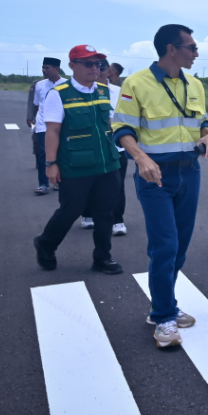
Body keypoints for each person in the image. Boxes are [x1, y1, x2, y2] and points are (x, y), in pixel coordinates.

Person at [111, 24, 208, 349]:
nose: (196, 53)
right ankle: (163, 318)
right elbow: (121, 127)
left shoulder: (195, 84)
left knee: (180, 248)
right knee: (165, 246)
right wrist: (141, 158)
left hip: (190, 172)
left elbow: (200, 120)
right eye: (192, 47)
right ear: (172, 49)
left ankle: (162, 305)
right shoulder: (136, 83)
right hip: (155, 176)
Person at [33, 45, 123, 275]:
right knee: (71, 210)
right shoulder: (59, 94)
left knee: (105, 212)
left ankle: (103, 257)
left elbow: (110, 125)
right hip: (76, 165)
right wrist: (51, 164)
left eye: (98, 64)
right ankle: (46, 243)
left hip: (107, 163)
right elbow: (52, 131)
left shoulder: (104, 92)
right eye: (88, 63)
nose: (95, 68)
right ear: (72, 66)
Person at [81, 58, 128, 236]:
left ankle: (117, 219)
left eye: (102, 67)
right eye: (92, 65)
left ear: (109, 71)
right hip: (89, 146)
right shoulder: (81, 90)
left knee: (117, 184)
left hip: (115, 146)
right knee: (89, 183)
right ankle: (87, 214)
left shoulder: (119, 91)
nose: (98, 70)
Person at [30, 57, 67, 195]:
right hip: (43, 124)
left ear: (57, 69)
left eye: (47, 68)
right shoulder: (39, 85)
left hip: (61, 124)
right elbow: (37, 104)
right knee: (43, 154)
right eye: (43, 68)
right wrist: (32, 119)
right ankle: (43, 184)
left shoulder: (67, 84)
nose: (44, 71)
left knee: (61, 153)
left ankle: (58, 182)